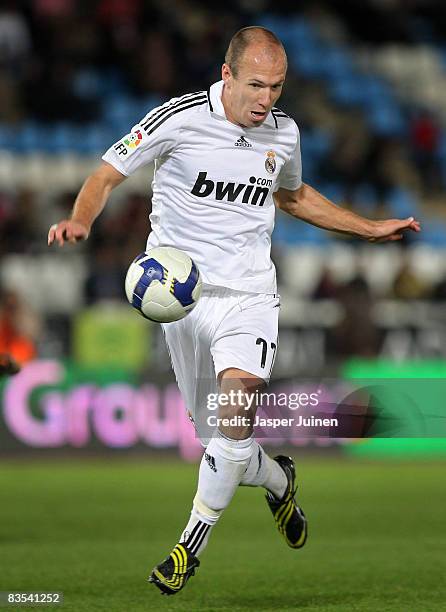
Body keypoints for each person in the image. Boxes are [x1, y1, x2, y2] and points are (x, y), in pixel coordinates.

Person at [48, 26, 421, 595]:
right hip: (182, 302)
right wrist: (81, 219)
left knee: (236, 410)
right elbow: (106, 174)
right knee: (227, 445)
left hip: (249, 296)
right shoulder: (178, 118)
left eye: (276, 87)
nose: (266, 99)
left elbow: (292, 196)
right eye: (255, 85)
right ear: (226, 76)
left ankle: (186, 550)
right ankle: (278, 482)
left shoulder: (285, 134)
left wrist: (367, 228)